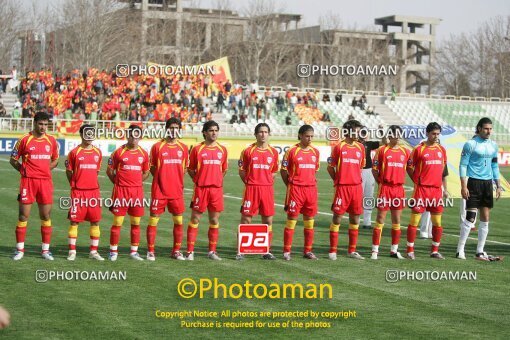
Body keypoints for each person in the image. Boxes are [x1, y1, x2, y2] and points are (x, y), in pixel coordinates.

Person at [10, 112, 59, 260]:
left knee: (45, 215)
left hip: (45, 182)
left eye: (46, 124)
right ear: (35, 123)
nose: (43, 127)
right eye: (40, 124)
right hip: (28, 182)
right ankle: (19, 250)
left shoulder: (51, 141)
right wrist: (24, 171)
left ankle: (45, 250)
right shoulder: (24, 139)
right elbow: (13, 159)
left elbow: (55, 160)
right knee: (23, 215)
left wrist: (44, 170)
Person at [456, 117, 503, 261]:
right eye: (486, 129)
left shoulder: (493, 146)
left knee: (486, 218)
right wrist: (464, 186)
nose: (489, 131)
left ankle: (480, 252)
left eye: (490, 128)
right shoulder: (470, 144)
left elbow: (495, 166)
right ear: (479, 128)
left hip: (487, 184)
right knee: (470, 218)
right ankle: (460, 250)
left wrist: (498, 184)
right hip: (474, 183)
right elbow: (463, 165)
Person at [146, 118, 189, 261]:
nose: (174, 130)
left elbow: (184, 169)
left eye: (176, 127)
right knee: (153, 220)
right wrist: (162, 178)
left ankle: (176, 251)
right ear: (166, 129)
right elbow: (152, 168)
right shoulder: (157, 147)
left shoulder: (183, 148)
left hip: (176, 191)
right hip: (159, 190)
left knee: (178, 221)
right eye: (171, 127)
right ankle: (151, 251)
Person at [405, 122, 449, 260]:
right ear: (427, 133)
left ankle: (434, 251)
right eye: (433, 134)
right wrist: (417, 181)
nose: (436, 136)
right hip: (421, 190)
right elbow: (409, 166)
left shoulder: (442, 150)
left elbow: (442, 170)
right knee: (414, 221)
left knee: (437, 223)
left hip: (436, 191)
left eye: (438, 134)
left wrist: (443, 188)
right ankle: (410, 250)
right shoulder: (419, 149)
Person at [106, 125, 150, 261]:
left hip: (137, 192)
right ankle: (113, 251)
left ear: (140, 137)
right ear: (128, 135)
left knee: (136, 222)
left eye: (137, 136)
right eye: (132, 135)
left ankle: (134, 251)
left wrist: (136, 183)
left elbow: (146, 172)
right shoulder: (118, 152)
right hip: (121, 191)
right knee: (118, 221)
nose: (134, 138)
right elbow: (109, 171)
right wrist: (119, 183)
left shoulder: (144, 153)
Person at [185, 120, 228, 260]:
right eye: (211, 130)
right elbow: (190, 169)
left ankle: (212, 251)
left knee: (214, 220)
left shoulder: (222, 150)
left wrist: (215, 180)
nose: (214, 133)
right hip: (201, 189)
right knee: (195, 218)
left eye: (216, 130)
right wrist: (199, 180)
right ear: (204, 132)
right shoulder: (197, 149)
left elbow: (224, 170)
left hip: (216, 190)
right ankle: (190, 251)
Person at [236, 123, 279, 261]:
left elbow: (274, 172)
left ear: (269, 134)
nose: (263, 134)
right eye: (260, 132)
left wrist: (265, 181)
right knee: (246, 219)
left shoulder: (274, 152)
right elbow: (242, 171)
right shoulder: (248, 151)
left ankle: (266, 250)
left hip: (267, 190)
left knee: (268, 220)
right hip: (251, 189)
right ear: (255, 134)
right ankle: (240, 251)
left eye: (266, 132)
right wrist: (250, 183)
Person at [370, 125, 412, 260]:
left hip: (399, 189)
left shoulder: (405, 152)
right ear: (389, 136)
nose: (398, 137)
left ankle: (394, 250)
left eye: (399, 134)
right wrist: (381, 183)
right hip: (385, 188)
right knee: (380, 219)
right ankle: (374, 251)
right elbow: (374, 170)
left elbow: (410, 168)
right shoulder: (382, 150)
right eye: (395, 134)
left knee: (397, 220)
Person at [327, 120, 366, 260]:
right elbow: (330, 167)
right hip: (342, 188)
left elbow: (360, 167)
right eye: (356, 130)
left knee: (355, 218)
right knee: (337, 217)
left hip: (356, 188)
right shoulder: (339, 147)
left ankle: (352, 250)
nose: (358, 133)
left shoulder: (361, 147)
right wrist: (338, 181)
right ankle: (332, 251)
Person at [280, 125, 320, 260]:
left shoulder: (315, 152)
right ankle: (286, 252)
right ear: (300, 135)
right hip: (296, 189)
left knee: (309, 220)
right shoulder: (292, 151)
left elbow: (315, 171)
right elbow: (284, 171)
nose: (310, 139)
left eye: (312, 136)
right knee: (292, 219)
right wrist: (290, 185)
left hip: (311, 190)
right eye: (307, 136)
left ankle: (307, 251)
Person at [65, 124, 104, 261]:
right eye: (86, 133)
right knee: (74, 222)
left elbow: (96, 172)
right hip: (78, 193)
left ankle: (93, 252)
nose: (89, 136)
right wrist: (76, 183)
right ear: (81, 134)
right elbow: (69, 172)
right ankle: (72, 252)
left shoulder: (98, 153)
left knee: (95, 221)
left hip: (93, 192)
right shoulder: (74, 153)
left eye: (91, 133)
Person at [360, 130, 382, 229]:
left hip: (369, 171)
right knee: (356, 197)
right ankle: (354, 220)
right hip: (358, 171)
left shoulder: (369, 144)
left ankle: (367, 222)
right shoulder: (355, 144)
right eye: (362, 133)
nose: (363, 135)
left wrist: (382, 131)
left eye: (365, 133)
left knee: (369, 196)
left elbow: (384, 142)